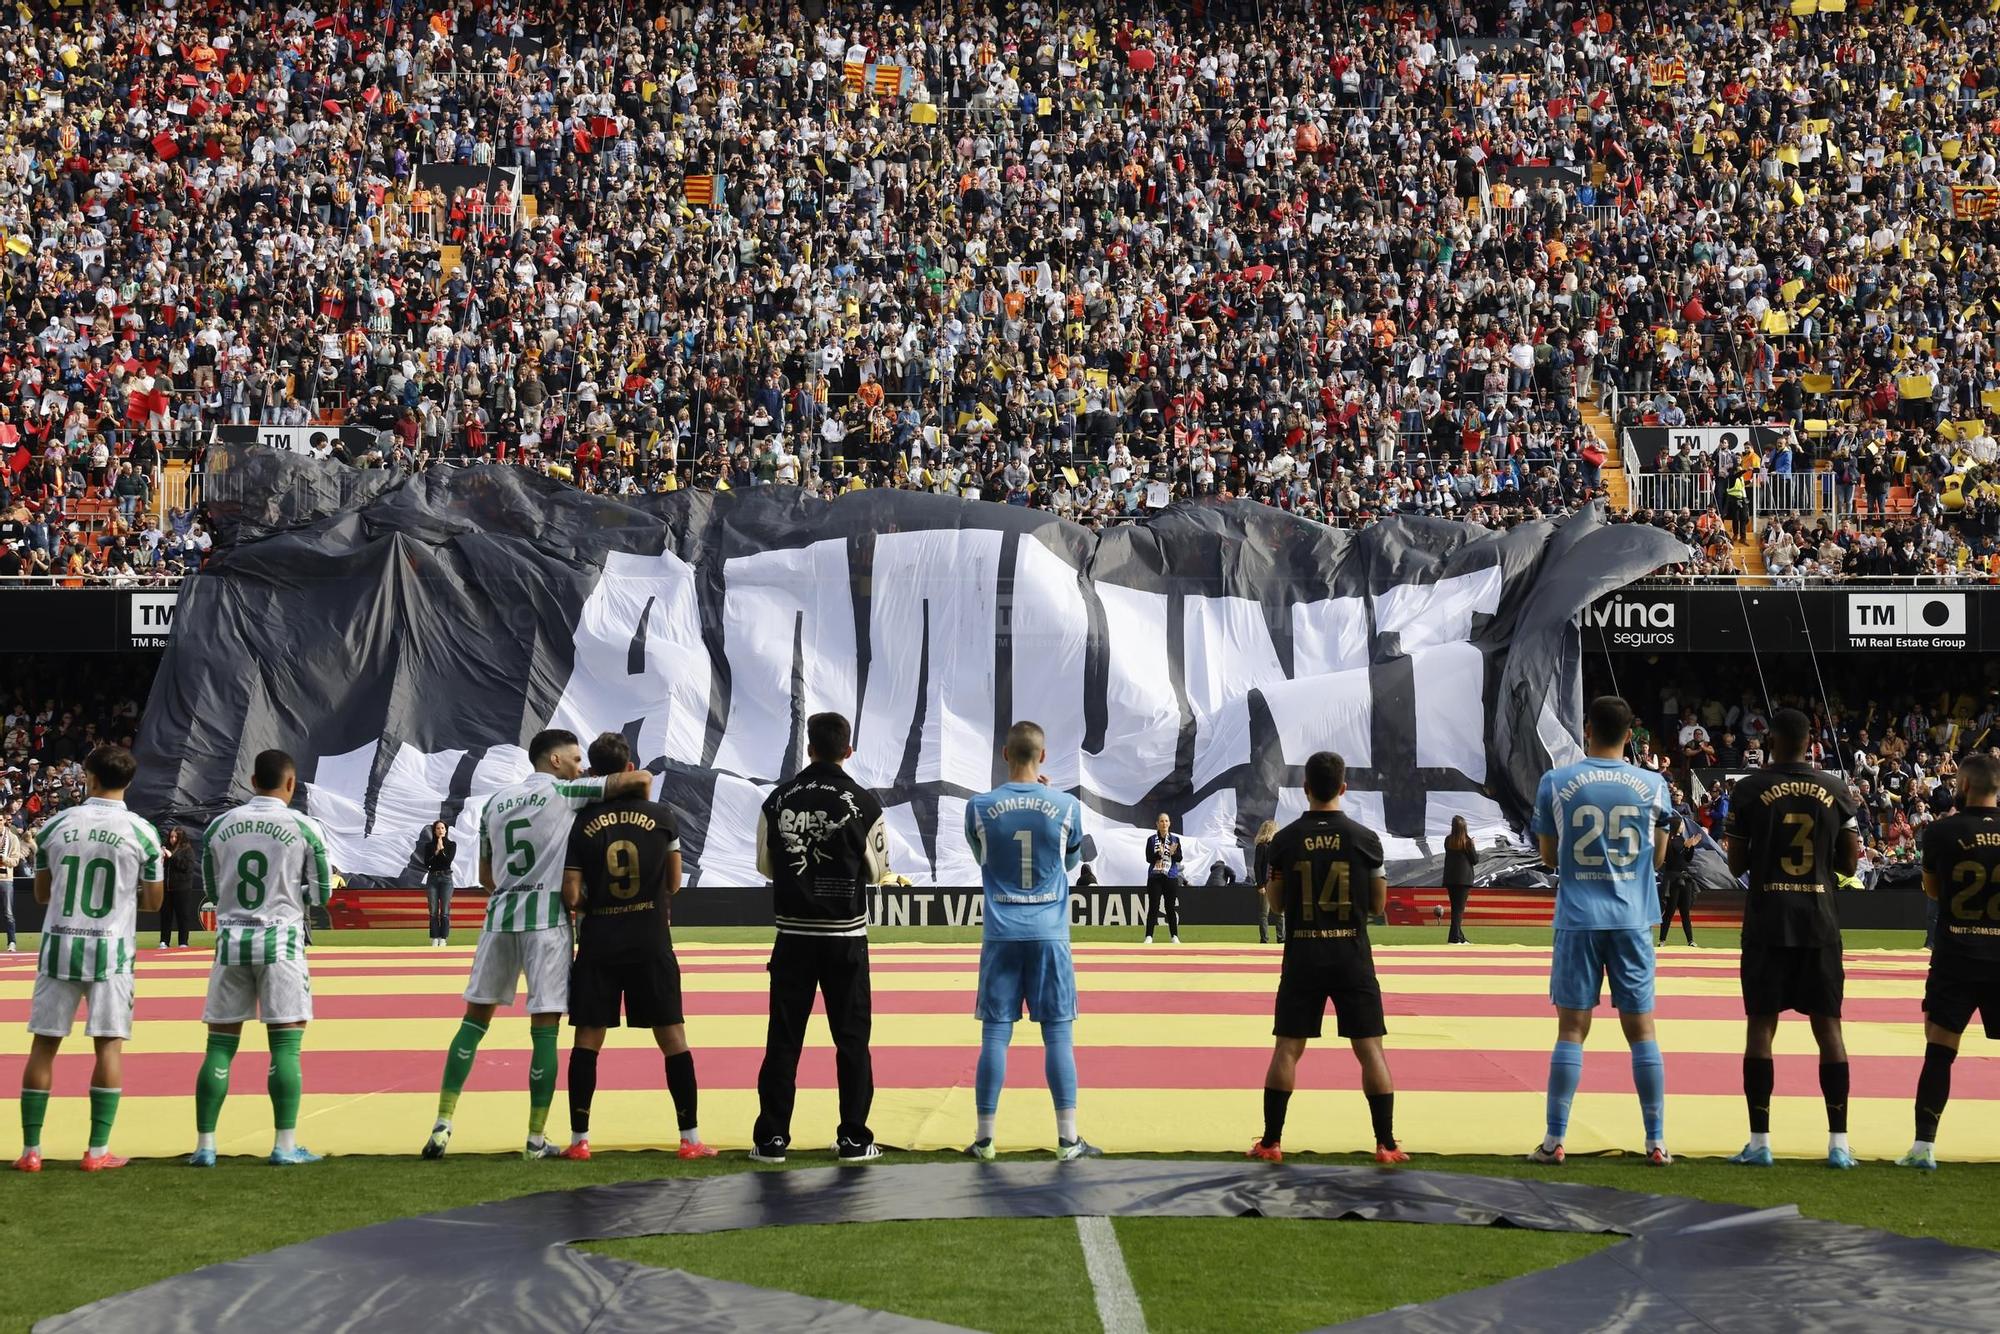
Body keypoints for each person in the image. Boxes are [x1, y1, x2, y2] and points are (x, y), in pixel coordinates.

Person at [421, 728, 650, 1161]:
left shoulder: (494, 804)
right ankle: (534, 1138)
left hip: (499, 921)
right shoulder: (566, 792)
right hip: (545, 922)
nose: (583, 767)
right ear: (556, 761)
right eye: (577, 759)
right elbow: (637, 781)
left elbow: (487, 876)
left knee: (474, 1021)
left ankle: (443, 1123)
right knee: (543, 1029)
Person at [1529, 695, 1675, 1167]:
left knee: (1571, 1030)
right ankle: (1655, 1141)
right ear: (1630, 734)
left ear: (1586, 729)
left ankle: (1554, 1140)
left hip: (1578, 919)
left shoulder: (1557, 781)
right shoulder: (1654, 785)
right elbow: (1658, 858)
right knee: (1642, 1030)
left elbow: (1549, 858)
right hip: (1631, 918)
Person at [559, 732, 714, 1162]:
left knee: (587, 1040)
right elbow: (674, 883)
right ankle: (690, 1138)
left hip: (599, 943)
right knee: (673, 1039)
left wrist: (597, 902)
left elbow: (571, 894)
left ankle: (579, 1140)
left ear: (593, 772)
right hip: (649, 940)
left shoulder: (583, 822)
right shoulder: (663, 817)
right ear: (629, 769)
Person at [1247, 751, 1408, 1164]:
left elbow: (1278, 906)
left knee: (1287, 1049)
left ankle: (1271, 1141)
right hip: (1351, 952)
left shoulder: (1283, 840)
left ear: (1305, 789)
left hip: (1303, 952)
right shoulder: (1365, 838)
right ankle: (1386, 1144)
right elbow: (1377, 906)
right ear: (1343, 787)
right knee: (1370, 1049)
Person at [14, 746, 163, 1172]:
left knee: (44, 1045)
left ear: (89, 778)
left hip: (59, 945)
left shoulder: (56, 826)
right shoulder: (142, 832)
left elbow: (41, 895)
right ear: (128, 782)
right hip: (111, 950)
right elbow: (153, 903)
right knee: (108, 1047)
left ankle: (31, 1151)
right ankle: (97, 1151)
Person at [1724, 707, 1861, 1169]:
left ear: (1771, 741)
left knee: (1761, 1027)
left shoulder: (1749, 789)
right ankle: (1839, 1144)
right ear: (1811, 741)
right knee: (1829, 1029)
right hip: (1819, 923)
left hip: (1766, 921)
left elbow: (1734, 865)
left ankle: (1760, 1141)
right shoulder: (1837, 790)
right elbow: (1849, 865)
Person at [749, 711, 888, 1163]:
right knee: (851, 1039)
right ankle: (853, 1137)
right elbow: (879, 871)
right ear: (848, 751)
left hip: (792, 936)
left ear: (808, 747)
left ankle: (771, 1138)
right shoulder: (864, 803)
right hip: (845, 938)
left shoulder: (777, 799)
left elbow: (765, 867)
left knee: (783, 1039)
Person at [188, 749, 334, 1167]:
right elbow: (322, 895)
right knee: (285, 1046)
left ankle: (205, 1145)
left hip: (231, 940)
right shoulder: (304, 827)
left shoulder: (220, 827)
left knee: (219, 1045)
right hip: (281, 942)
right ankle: (284, 1145)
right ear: (290, 784)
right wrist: (292, 893)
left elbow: (214, 893)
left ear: (252, 781)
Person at [962, 720, 1097, 1161]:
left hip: (1001, 934)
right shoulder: (1066, 807)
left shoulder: (978, 807)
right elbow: (1071, 862)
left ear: (1005, 755)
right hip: (1049, 935)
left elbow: (983, 858)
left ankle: (984, 1139)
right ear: (1042, 756)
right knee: (1058, 1036)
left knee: (995, 1037)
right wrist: (1046, 799)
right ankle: (1067, 1138)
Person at [1899, 753, 2000, 1169]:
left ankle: (1924, 1148)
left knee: (1939, 1052)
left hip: (1956, 957)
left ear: (1963, 786)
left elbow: (1934, 892)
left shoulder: (1941, 832)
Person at [1657, 798, 1704, 948]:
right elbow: (1676, 853)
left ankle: (1690, 940)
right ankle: (1662, 939)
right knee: (1670, 911)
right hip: (1673, 878)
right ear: (1677, 826)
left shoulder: (1682, 841)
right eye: (1682, 824)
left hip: (1685, 878)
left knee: (1685, 911)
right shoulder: (1671, 841)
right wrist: (1686, 846)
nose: (1683, 826)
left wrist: (1690, 848)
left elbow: (1687, 859)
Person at [1142, 813, 1184, 944]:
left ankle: (1174, 936)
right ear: (1157, 824)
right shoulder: (1151, 839)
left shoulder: (1175, 840)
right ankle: (1149, 936)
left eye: (1166, 821)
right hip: (1155, 876)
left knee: (1170, 907)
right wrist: (1158, 854)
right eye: (1161, 821)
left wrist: (1173, 853)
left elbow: (1179, 858)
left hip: (1170, 876)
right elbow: (1148, 858)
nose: (1164, 824)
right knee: (1153, 906)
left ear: (1169, 823)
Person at [160, 826, 201, 949]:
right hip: (167, 888)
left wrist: (172, 856)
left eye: (175, 837)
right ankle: (164, 941)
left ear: (180, 838)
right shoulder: (167, 849)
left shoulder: (187, 850)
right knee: (166, 915)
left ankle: (183, 941)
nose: (172, 839)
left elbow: (185, 867)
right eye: (171, 837)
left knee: (182, 915)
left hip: (182, 888)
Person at [419, 820, 458, 947]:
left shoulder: (452, 844)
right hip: (433, 878)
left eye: (442, 828)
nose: (440, 830)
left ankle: (443, 938)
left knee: (445, 910)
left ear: (446, 830)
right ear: (434, 831)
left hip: (446, 878)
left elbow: (447, 861)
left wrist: (441, 848)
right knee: (433, 910)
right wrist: (436, 851)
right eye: (437, 828)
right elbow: (427, 863)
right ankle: (434, 937)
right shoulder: (429, 846)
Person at [1442, 815, 1479, 944]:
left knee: (1455, 909)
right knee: (1459, 910)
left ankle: (1458, 936)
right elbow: (1475, 860)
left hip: (1450, 878)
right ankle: (1454, 938)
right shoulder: (1467, 842)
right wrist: (1473, 846)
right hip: (1463, 880)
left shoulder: (1448, 840)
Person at [1252, 819, 1285, 945]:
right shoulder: (1262, 847)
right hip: (1266, 883)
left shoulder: (1276, 847)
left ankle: (1281, 937)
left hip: (1276, 882)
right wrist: (1260, 884)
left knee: (1280, 913)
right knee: (1264, 913)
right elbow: (1257, 866)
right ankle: (1265, 939)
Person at [0, 821, 22, 953]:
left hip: (5, 879)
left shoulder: (12, 838)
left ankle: (12, 942)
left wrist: (3, 858)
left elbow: (15, 861)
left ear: (4, 822)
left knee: (8, 913)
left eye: (0, 820)